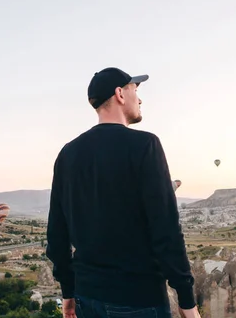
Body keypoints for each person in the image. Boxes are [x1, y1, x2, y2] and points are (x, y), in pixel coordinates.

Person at [46, 67, 201, 318]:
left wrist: (68, 293)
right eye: (134, 90)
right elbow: (166, 229)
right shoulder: (145, 145)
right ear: (120, 94)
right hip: (138, 299)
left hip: (87, 297)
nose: (139, 99)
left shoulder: (67, 153)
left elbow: (57, 233)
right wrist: (186, 300)